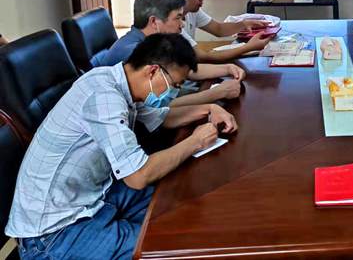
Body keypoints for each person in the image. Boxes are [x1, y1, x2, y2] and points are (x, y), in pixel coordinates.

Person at [5, 33, 238, 259]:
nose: (174, 92)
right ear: (152, 71)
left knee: (177, 201)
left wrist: (209, 109)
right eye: (174, 85)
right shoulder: (104, 97)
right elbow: (137, 176)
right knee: (167, 243)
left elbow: (162, 117)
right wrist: (196, 141)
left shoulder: (117, 81)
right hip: (53, 233)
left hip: (93, 195)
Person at [102, 0, 244, 106]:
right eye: (178, 18)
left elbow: (185, 69)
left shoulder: (150, 45)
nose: (182, 25)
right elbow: (160, 107)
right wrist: (217, 93)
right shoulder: (133, 52)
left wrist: (227, 68)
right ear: (154, 22)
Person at [165, 0, 272, 63]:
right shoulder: (171, 24)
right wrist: (248, 47)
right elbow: (203, 57)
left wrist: (244, 24)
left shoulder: (191, 11)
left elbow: (218, 29)